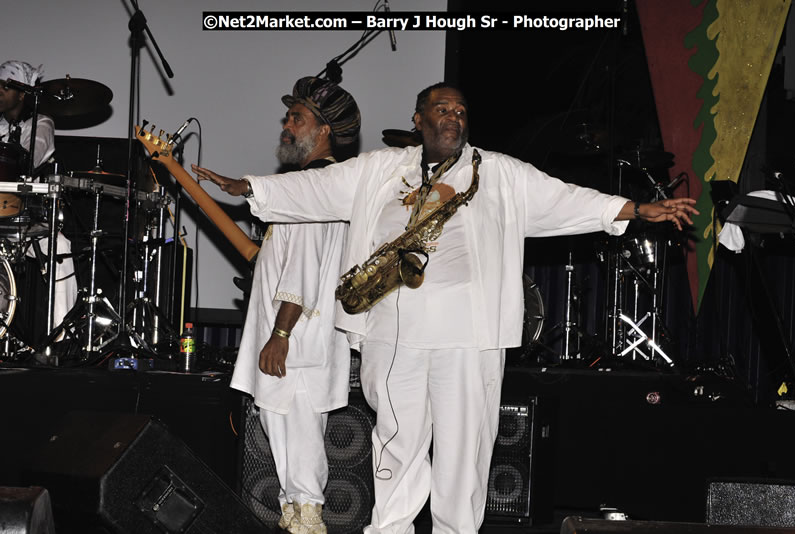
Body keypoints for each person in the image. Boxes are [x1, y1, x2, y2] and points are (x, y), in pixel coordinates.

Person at [194, 83, 698, 534]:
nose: (453, 116)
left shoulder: (497, 172)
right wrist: (252, 187)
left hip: (469, 337)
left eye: (460, 110)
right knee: (396, 446)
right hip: (393, 333)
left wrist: (635, 209)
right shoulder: (381, 169)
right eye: (442, 108)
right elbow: (318, 187)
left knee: (464, 452)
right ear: (418, 119)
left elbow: (563, 199)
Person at [194, 77, 360, 534]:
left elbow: (303, 268)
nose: (286, 126)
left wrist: (281, 335)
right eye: (287, 117)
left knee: (301, 458)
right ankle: (296, 521)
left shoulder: (313, 189)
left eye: (297, 118)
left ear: (324, 131)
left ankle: (306, 523)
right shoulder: (309, 188)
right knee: (288, 451)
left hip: (297, 345)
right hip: (297, 342)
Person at [0, 60, 77, 342]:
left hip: (21, 217)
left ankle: (61, 338)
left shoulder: (41, 124)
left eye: (6, 86)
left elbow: (29, 159)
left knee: (60, 247)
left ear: (23, 94)